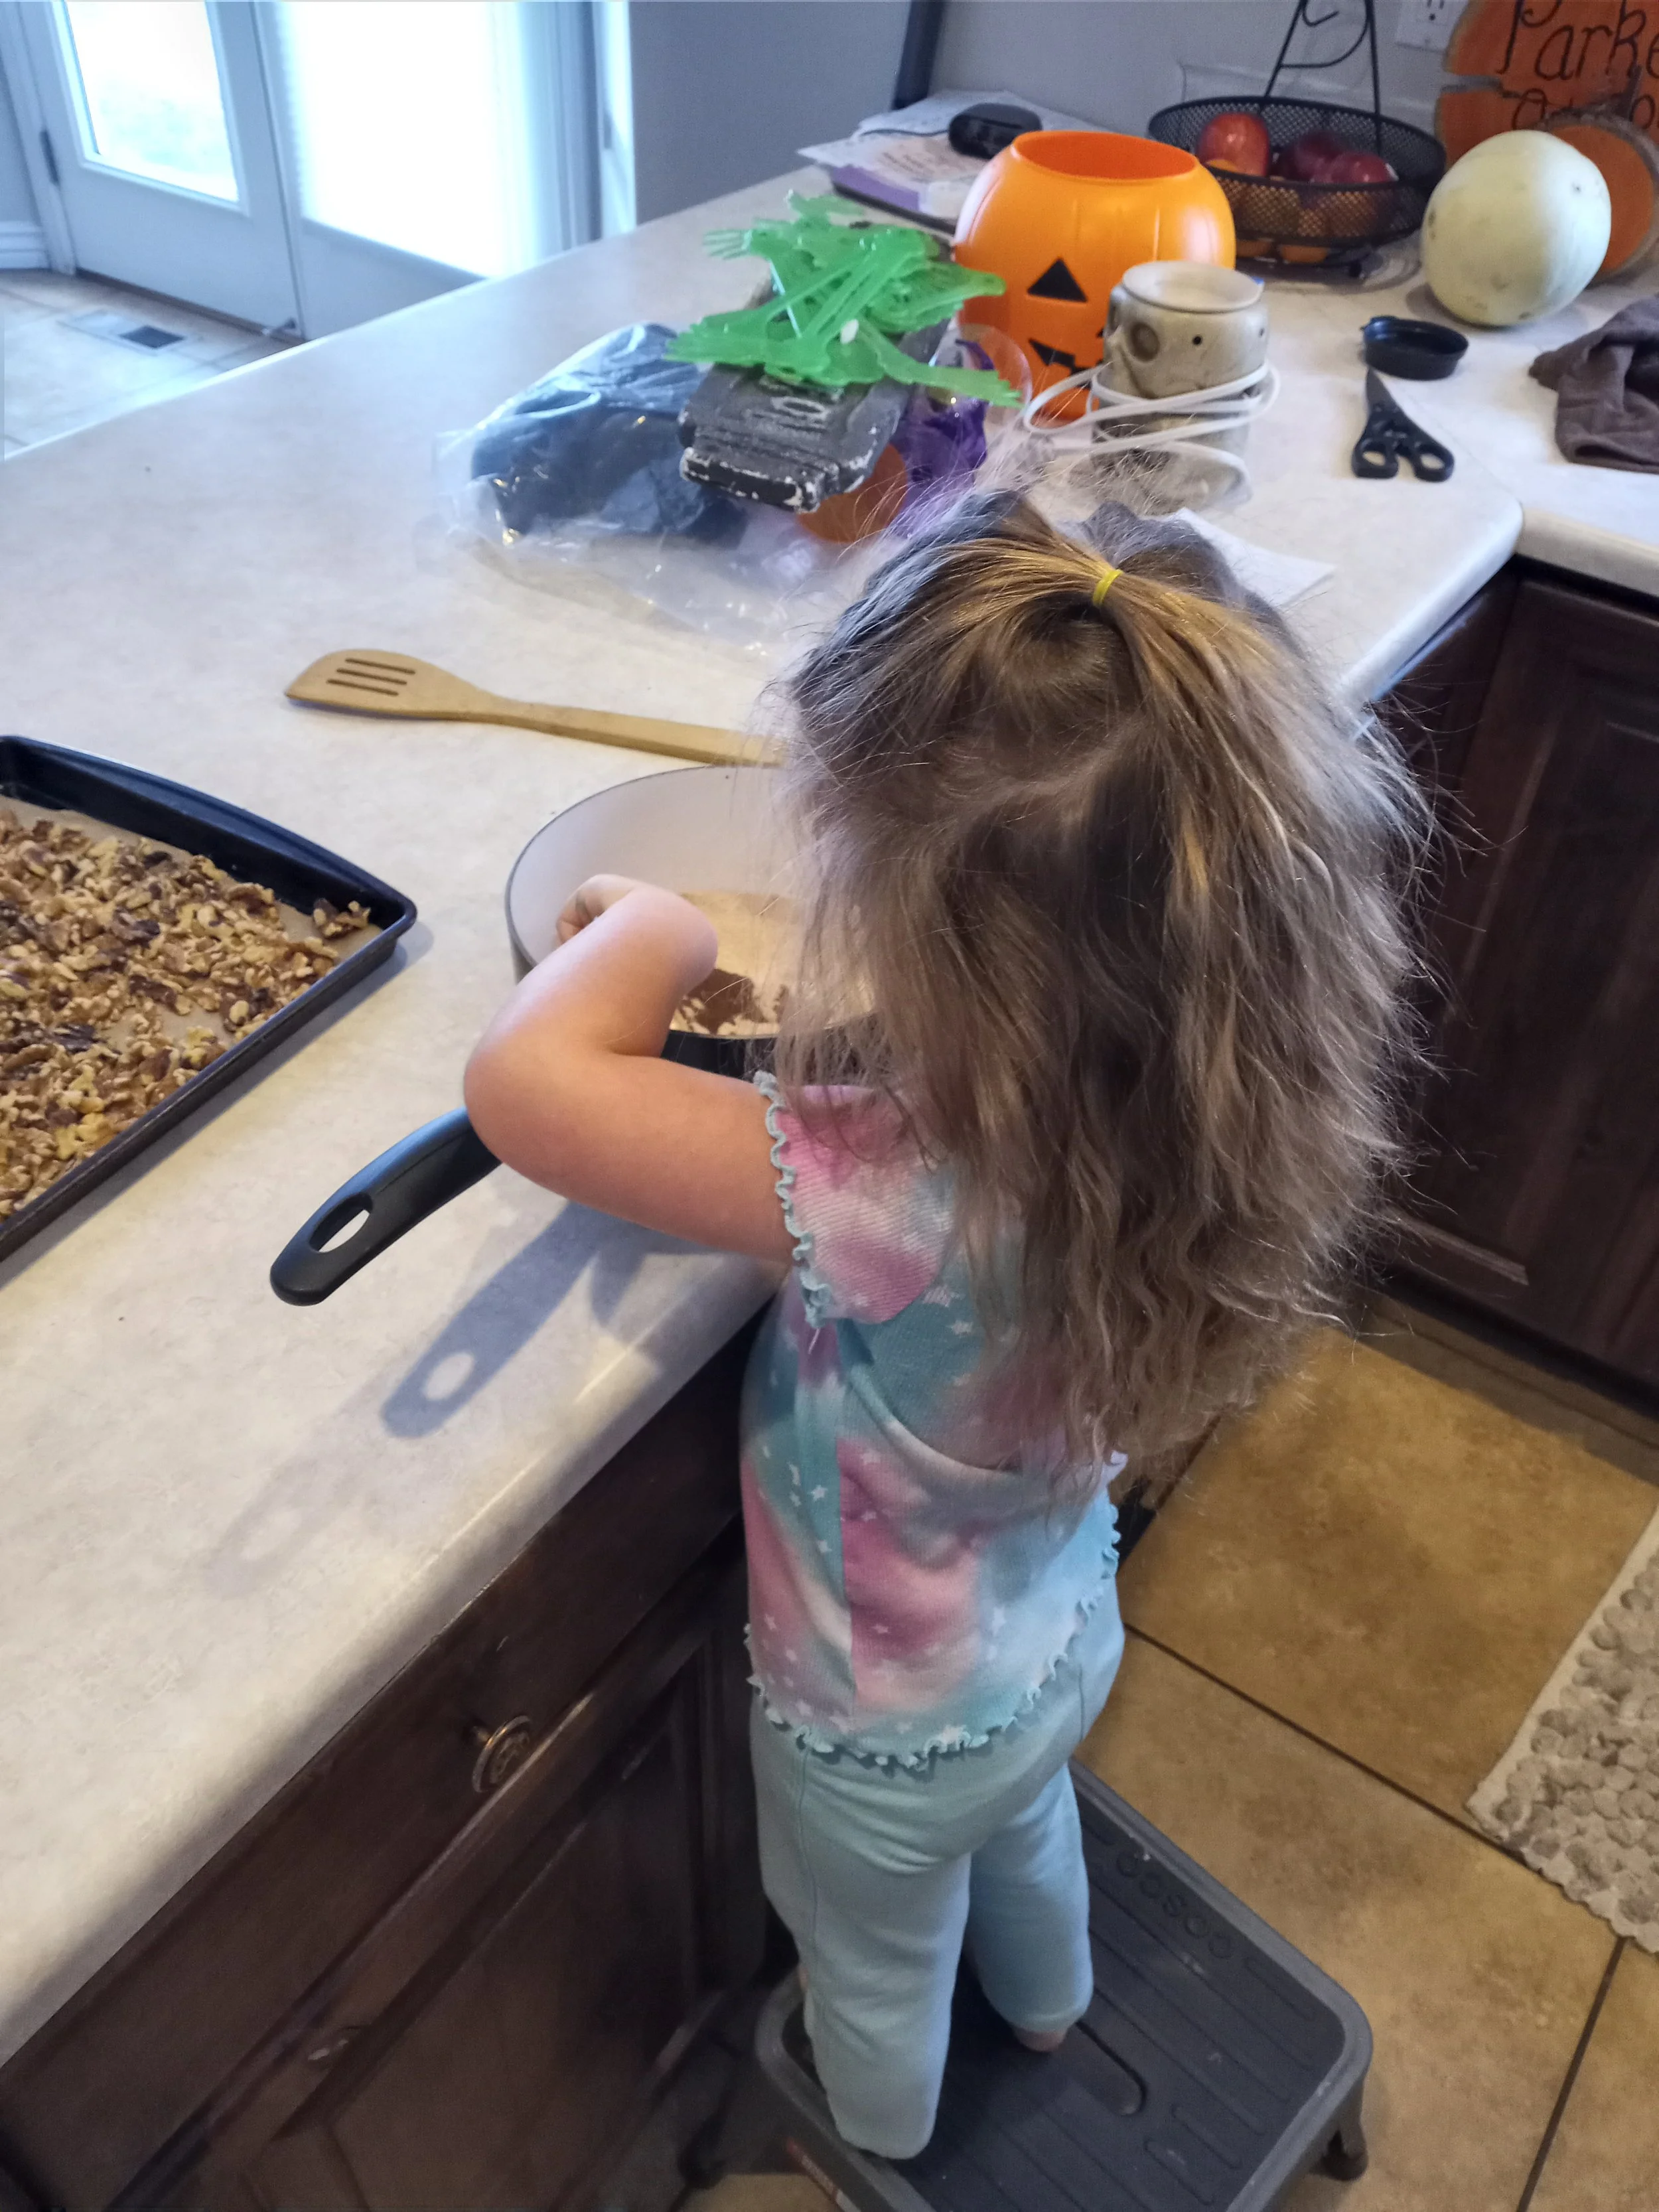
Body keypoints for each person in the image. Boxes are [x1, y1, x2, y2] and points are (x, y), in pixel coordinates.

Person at [464, 493, 1424, 2160]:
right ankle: (1051, 2005)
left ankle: (885, 2138)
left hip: (877, 1742)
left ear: (937, 945)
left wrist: (654, 931)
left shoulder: (873, 1190)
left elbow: (526, 1089)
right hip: (1053, 1648)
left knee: (872, 1954)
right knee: (1030, 1833)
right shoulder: (1200, 1137)